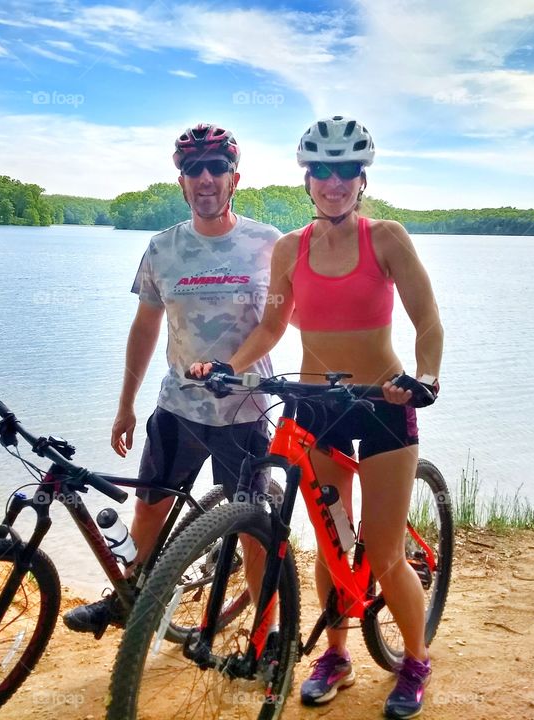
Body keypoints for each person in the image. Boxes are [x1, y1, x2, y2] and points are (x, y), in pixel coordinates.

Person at [190, 115, 443, 720]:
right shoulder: (289, 249)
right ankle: (336, 655)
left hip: (384, 405)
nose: (334, 182)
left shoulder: (387, 239)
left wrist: (426, 378)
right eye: (322, 171)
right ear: (307, 179)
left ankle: (414, 659)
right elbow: (274, 324)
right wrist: (227, 365)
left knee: (380, 553)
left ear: (362, 179)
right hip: (315, 407)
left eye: (346, 171)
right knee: (333, 544)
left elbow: (428, 322)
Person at [62, 123, 281, 638]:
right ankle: (129, 598)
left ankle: (267, 636)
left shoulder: (267, 244)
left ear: (235, 179)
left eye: (216, 168)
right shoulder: (163, 248)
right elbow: (145, 326)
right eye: (192, 170)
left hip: (244, 412)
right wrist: (125, 405)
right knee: (148, 510)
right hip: (177, 408)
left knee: (252, 529)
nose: (205, 178)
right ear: (181, 183)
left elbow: (282, 321)